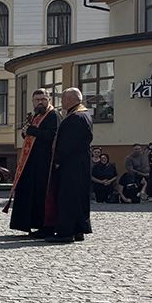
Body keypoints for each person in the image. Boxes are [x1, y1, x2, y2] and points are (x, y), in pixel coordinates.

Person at [7, 89, 59, 237]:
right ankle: (29, 224)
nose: (40, 102)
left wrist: (32, 131)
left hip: (45, 164)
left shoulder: (53, 115)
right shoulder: (36, 116)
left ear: (49, 99)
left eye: (43, 99)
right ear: (33, 102)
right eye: (37, 100)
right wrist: (26, 132)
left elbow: (52, 136)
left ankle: (45, 227)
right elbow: (31, 136)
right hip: (31, 162)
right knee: (29, 193)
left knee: (42, 196)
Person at [44, 88, 93, 243]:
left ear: (72, 99)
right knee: (78, 198)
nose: (62, 102)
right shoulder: (83, 114)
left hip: (71, 165)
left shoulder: (76, 117)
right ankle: (79, 229)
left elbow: (67, 144)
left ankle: (66, 232)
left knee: (68, 198)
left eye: (64, 98)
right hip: (79, 164)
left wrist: (57, 159)